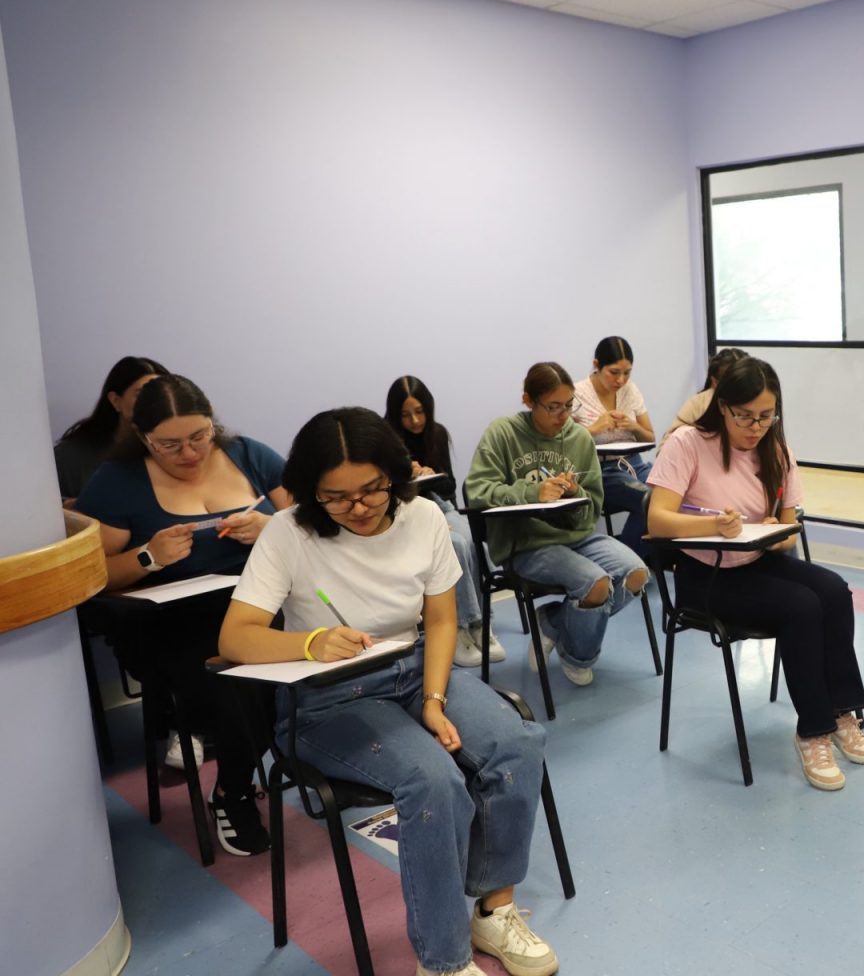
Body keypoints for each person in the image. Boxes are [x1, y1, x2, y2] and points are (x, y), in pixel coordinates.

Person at [219, 408, 557, 976]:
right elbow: (234, 638)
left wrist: (433, 701)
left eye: (372, 489)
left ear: (395, 476)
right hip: (329, 697)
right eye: (336, 497)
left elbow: (442, 620)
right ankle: (443, 960)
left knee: (517, 745)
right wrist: (309, 642)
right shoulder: (289, 533)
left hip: (414, 672)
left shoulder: (423, 517)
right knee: (433, 780)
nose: (359, 507)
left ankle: (493, 909)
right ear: (310, 491)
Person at [75, 374, 290, 856]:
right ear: (142, 437)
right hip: (172, 620)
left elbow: (311, 522)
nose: (189, 453)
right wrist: (148, 557)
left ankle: (280, 761)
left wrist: (271, 527)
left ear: (213, 423)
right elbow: (92, 575)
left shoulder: (250, 455)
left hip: (259, 601)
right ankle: (232, 790)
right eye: (169, 445)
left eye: (199, 437)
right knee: (235, 680)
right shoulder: (118, 481)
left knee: (300, 654)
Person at [646, 356, 864, 792]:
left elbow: (789, 529)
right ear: (722, 407)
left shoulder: (775, 449)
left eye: (767, 416)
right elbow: (657, 521)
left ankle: (842, 712)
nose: (756, 427)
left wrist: (774, 533)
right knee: (801, 606)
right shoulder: (687, 443)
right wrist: (712, 526)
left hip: (755, 561)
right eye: (745, 416)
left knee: (834, 591)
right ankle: (812, 732)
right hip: (704, 576)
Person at [466, 362, 649, 687]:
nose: (563, 415)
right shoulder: (503, 433)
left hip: (577, 536)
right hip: (526, 544)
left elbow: (594, 503)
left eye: (568, 406)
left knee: (636, 574)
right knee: (595, 584)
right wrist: (532, 492)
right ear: (528, 400)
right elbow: (478, 491)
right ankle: (578, 657)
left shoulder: (578, 438)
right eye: (553, 407)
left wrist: (576, 493)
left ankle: (552, 622)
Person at [385, 375, 505, 669]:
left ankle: (481, 624)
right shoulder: (386, 442)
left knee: (473, 544)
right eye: (406, 414)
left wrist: (430, 474)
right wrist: (407, 475)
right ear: (395, 415)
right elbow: (387, 497)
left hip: (441, 504)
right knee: (454, 544)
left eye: (420, 412)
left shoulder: (437, 434)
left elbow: (449, 487)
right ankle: (460, 627)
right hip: (408, 511)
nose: (415, 420)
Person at [572, 336, 654, 554]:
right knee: (650, 500)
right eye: (614, 372)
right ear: (597, 365)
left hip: (635, 463)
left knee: (672, 491)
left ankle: (644, 557)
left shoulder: (630, 390)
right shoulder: (577, 394)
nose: (621, 380)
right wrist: (594, 428)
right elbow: (566, 444)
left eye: (627, 373)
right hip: (602, 469)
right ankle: (628, 560)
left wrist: (633, 427)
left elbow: (650, 438)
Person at [54, 355, 168, 505]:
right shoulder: (71, 455)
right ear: (115, 400)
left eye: (161, 395)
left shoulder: (175, 450)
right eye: (143, 394)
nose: (154, 403)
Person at [660, 347, 748, 446]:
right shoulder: (698, 404)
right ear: (715, 382)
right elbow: (666, 446)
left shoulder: (758, 401)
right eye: (733, 383)